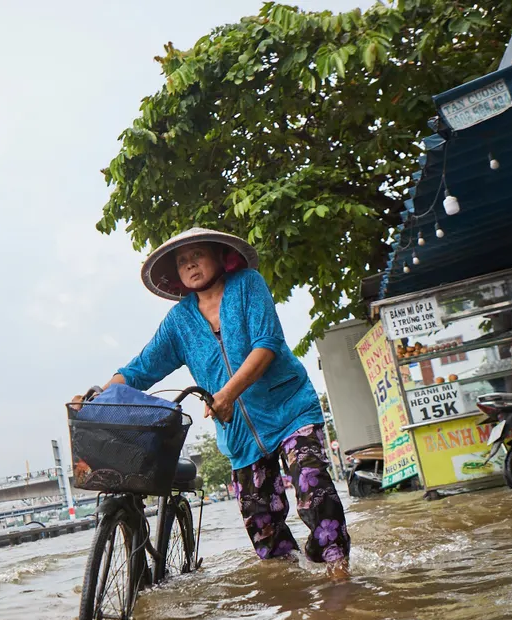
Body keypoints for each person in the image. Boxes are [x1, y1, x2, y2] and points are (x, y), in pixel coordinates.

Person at [74, 228, 350, 579]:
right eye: (182, 261)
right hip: (239, 433)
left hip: (289, 408)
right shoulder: (179, 322)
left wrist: (227, 394)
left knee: (315, 489)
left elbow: (267, 345)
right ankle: (294, 588)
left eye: (197, 255)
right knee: (263, 525)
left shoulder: (248, 285)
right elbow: (140, 369)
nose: (190, 265)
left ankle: (339, 575)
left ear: (221, 256)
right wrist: (99, 396)